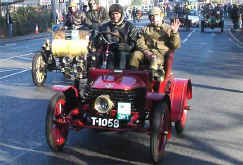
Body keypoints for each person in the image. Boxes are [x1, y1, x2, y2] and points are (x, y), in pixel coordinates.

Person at [129, 7, 181, 81]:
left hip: (161, 55)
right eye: (152, 16)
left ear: (161, 16)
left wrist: (174, 32)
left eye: (156, 15)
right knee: (135, 55)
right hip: (146, 53)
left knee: (154, 61)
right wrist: (146, 51)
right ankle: (133, 79)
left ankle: (155, 82)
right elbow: (140, 42)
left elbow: (175, 45)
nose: (154, 18)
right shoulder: (145, 29)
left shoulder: (169, 28)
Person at [91, 4, 139, 69]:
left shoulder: (130, 27)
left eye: (117, 13)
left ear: (121, 14)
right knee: (101, 56)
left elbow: (135, 42)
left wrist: (129, 47)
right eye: (112, 14)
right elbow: (98, 39)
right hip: (109, 52)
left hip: (125, 53)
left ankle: (122, 75)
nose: (114, 16)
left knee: (122, 54)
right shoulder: (104, 26)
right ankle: (104, 75)